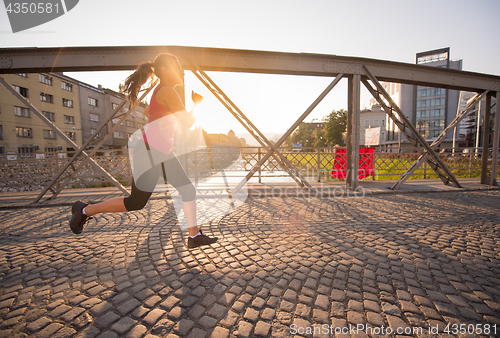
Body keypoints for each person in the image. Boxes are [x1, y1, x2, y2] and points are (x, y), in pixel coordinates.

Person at [69, 53, 218, 249]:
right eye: (177, 66)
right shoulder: (166, 91)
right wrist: (197, 103)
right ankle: (84, 211)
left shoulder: (161, 90)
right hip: (150, 153)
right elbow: (188, 122)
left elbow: (148, 112)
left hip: (160, 152)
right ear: (164, 70)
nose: (181, 71)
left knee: (186, 189)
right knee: (135, 202)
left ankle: (194, 235)